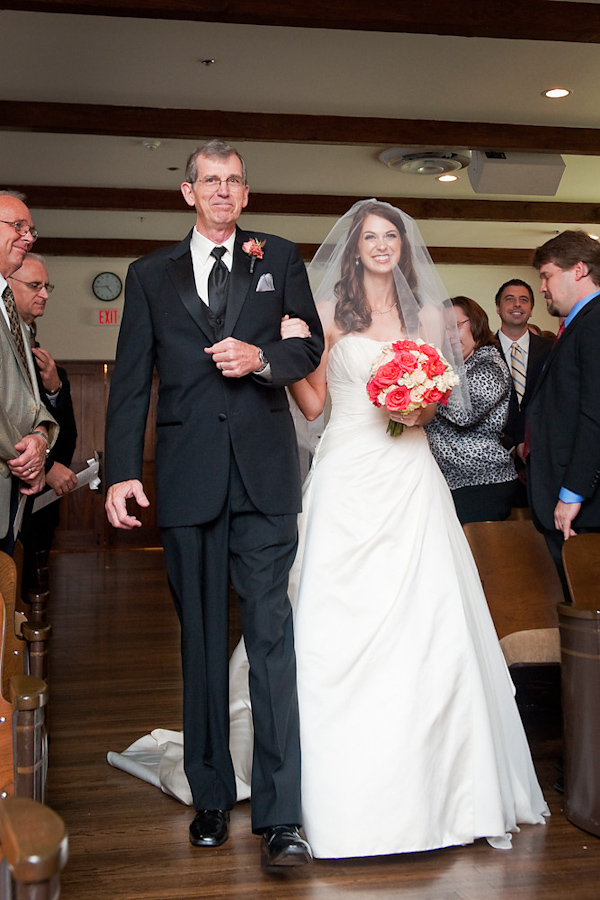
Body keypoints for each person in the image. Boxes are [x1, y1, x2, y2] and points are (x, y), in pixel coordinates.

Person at [109, 200, 549, 859]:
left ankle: (448, 787)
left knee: (430, 625)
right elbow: (312, 402)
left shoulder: (430, 317)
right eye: (369, 237)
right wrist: (285, 353)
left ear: (403, 247)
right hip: (346, 473)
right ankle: (319, 790)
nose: (380, 246)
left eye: (389, 236)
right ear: (353, 249)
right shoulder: (325, 316)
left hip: (410, 482)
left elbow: (439, 411)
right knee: (321, 627)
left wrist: (416, 402)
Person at [104, 140, 324, 869]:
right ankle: (208, 795)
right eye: (211, 182)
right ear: (188, 193)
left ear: (246, 194)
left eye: (234, 182)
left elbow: (308, 349)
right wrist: (118, 472)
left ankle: (281, 814)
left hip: (264, 479)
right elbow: (132, 378)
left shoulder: (280, 259)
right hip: (191, 476)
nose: (223, 192)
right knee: (199, 642)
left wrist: (262, 359)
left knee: (270, 642)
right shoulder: (148, 276)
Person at [527, 230, 600, 595]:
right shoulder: (579, 323)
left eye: (546, 274)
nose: (542, 286)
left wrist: (572, 494)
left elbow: (595, 416)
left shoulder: (595, 322)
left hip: (583, 504)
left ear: (579, 269)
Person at [10, 253, 78, 588]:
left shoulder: (44, 363)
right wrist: (45, 466)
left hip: (38, 509)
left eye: (46, 286)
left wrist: (54, 390)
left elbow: (67, 434)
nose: (45, 294)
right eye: (35, 285)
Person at [425, 295, 519, 525]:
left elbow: (463, 412)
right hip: (451, 483)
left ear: (476, 324)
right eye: (444, 329)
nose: (450, 335)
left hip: (482, 482)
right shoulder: (454, 369)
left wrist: (422, 384)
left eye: (456, 325)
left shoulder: (490, 365)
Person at [0, 191, 57, 554]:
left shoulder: (14, 316)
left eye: (31, 230)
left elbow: (29, 401)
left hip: (8, 500)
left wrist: (41, 437)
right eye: (17, 226)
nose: (27, 236)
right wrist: (27, 459)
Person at [494, 279, 553, 505]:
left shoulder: (552, 349)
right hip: (496, 459)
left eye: (523, 300)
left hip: (541, 458)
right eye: (509, 299)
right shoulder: (484, 350)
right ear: (498, 307)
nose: (517, 304)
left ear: (531, 308)